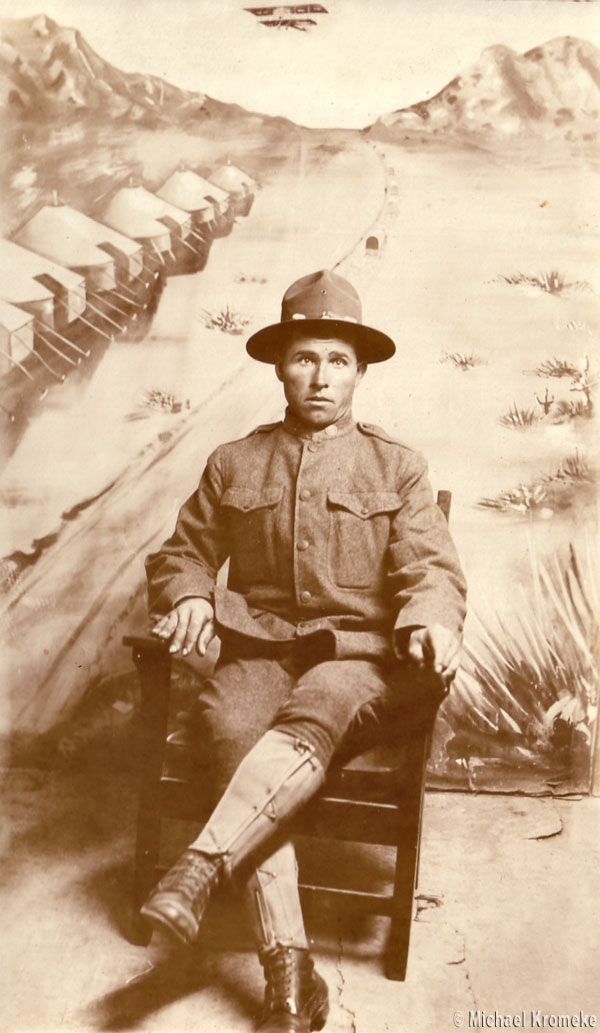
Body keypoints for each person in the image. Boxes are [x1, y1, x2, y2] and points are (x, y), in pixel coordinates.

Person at [140, 269, 467, 1032]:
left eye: (338, 360)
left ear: (360, 371)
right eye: (305, 357)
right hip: (257, 649)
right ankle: (293, 972)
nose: (320, 376)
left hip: (357, 657)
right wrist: (189, 594)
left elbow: (431, 568)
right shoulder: (234, 461)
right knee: (231, 735)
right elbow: (182, 553)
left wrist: (430, 619)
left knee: (317, 706)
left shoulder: (398, 465)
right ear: (280, 365)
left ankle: (200, 868)